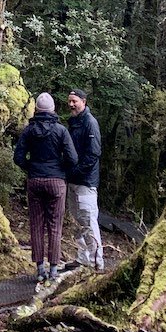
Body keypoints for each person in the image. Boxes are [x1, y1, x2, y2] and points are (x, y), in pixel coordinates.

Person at [14, 92, 78, 287]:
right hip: (56, 182)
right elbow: (73, 158)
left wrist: (31, 168)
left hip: (35, 180)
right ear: (52, 110)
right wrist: (60, 170)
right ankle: (53, 270)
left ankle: (39, 269)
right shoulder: (61, 131)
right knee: (55, 226)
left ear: (37, 110)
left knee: (36, 225)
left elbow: (18, 157)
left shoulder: (28, 130)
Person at [66, 88, 104, 271]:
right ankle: (82, 259)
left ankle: (97, 262)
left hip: (86, 182)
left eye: (75, 101)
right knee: (77, 221)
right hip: (72, 181)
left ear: (84, 101)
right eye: (70, 101)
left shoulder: (90, 123)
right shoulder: (73, 122)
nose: (72, 104)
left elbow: (94, 153)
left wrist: (78, 171)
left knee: (89, 221)